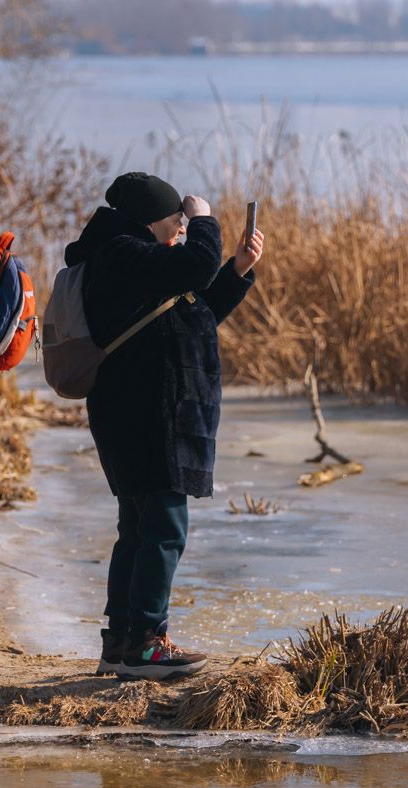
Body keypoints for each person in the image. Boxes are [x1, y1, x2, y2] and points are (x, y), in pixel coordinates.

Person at [65, 172, 265, 679]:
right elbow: (194, 266)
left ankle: (122, 643)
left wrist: (237, 270)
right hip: (147, 412)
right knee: (163, 527)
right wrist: (204, 220)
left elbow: (192, 311)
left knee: (138, 528)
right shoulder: (119, 253)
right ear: (149, 219)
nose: (179, 231)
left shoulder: (127, 257)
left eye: (182, 223)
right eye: (173, 222)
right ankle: (146, 644)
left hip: (143, 410)